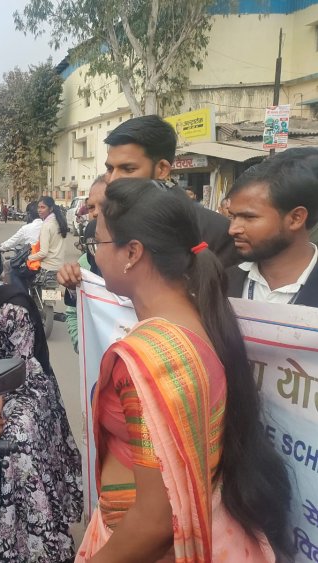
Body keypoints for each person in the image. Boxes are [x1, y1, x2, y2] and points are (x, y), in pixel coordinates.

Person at [76, 178, 292, 561]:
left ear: (132, 252)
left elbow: (155, 521)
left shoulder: (152, 359)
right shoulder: (197, 318)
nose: (96, 256)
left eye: (98, 243)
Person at [0, 228, 83, 562]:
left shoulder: (11, 307)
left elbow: (25, 369)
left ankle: (32, 539)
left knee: (15, 437)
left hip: (23, 389)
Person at [103, 114, 238, 268]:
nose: (112, 180)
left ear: (162, 169)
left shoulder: (214, 231)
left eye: (128, 169)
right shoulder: (106, 222)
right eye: (109, 169)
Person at [226, 147, 318, 306]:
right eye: (232, 216)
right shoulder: (222, 283)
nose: (232, 229)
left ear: (296, 218)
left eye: (249, 217)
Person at [64, 177, 107, 352]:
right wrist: (84, 347)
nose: (95, 213)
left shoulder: (145, 263)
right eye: (91, 207)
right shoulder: (84, 263)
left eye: (105, 205)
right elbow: (73, 313)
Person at [28, 195, 69, 274]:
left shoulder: (47, 225)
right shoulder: (59, 222)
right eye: (38, 207)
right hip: (59, 267)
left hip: (47, 267)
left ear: (50, 209)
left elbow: (43, 253)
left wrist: (28, 258)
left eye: (43, 207)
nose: (39, 210)